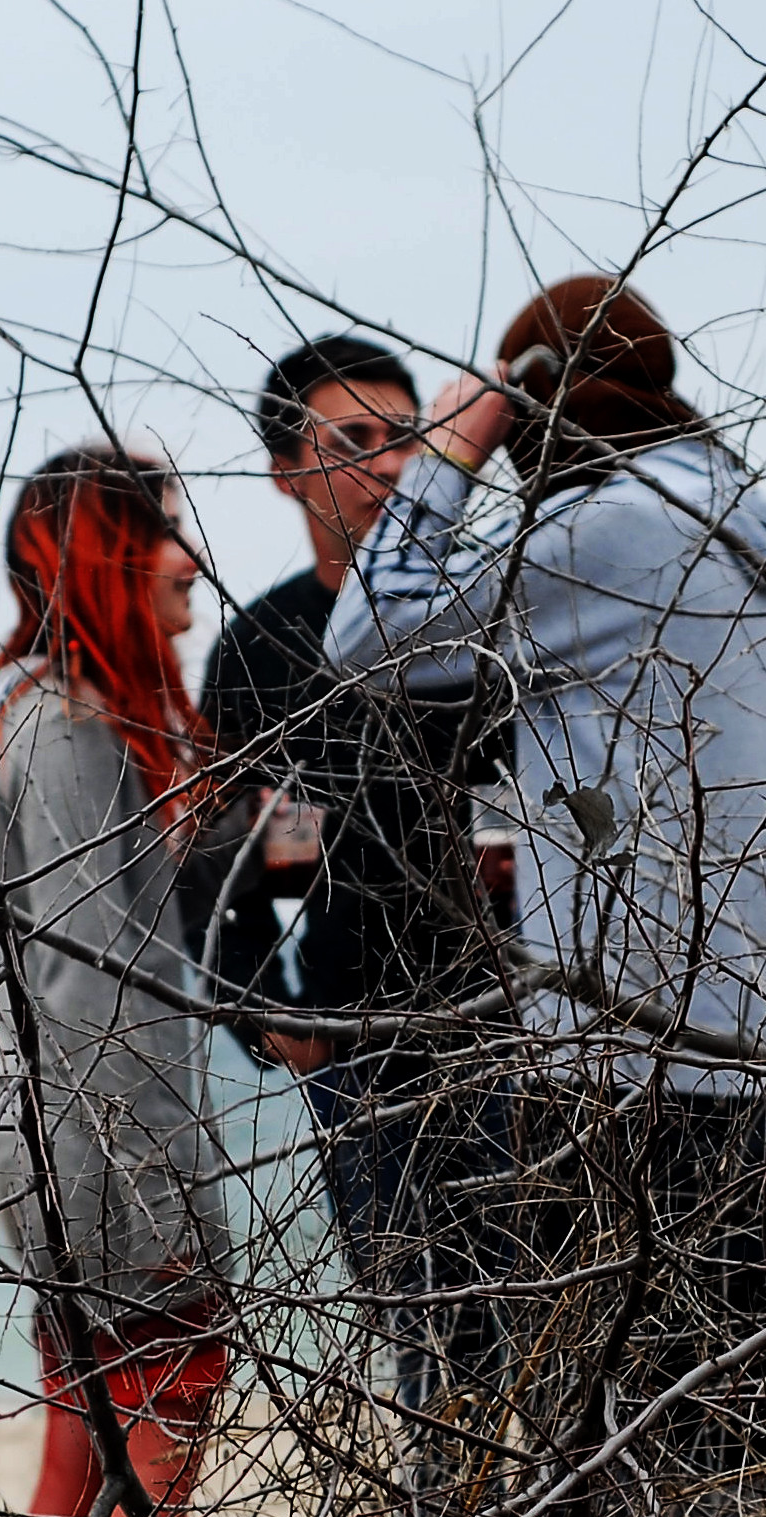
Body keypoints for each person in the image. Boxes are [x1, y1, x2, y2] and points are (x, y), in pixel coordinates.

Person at [329, 276, 766, 1517]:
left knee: (601, 1450)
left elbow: (373, 638)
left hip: (611, 1084)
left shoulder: (617, 532)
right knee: (729, 1451)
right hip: (759, 1088)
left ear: (550, 400)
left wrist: (457, 439)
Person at [0, 443, 270, 1517]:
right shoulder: (72, 730)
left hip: (47, 1130)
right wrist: (159, 1190)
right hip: (103, 1134)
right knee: (159, 1436)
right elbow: (92, 986)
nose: (188, 563)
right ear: (96, 558)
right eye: (161, 540)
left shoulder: (9, 709)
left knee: (84, 1447)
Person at [198, 338, 515, 1409]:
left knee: (557, 1338)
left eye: (408, 441)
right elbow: (219, 857)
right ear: (287, 470)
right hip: (358, 1044)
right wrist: (256, 1003)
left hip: (520, 1016)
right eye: (355, 442)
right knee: (431, 1361)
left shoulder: (484, 613)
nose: (388, 467)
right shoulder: (259, 647)